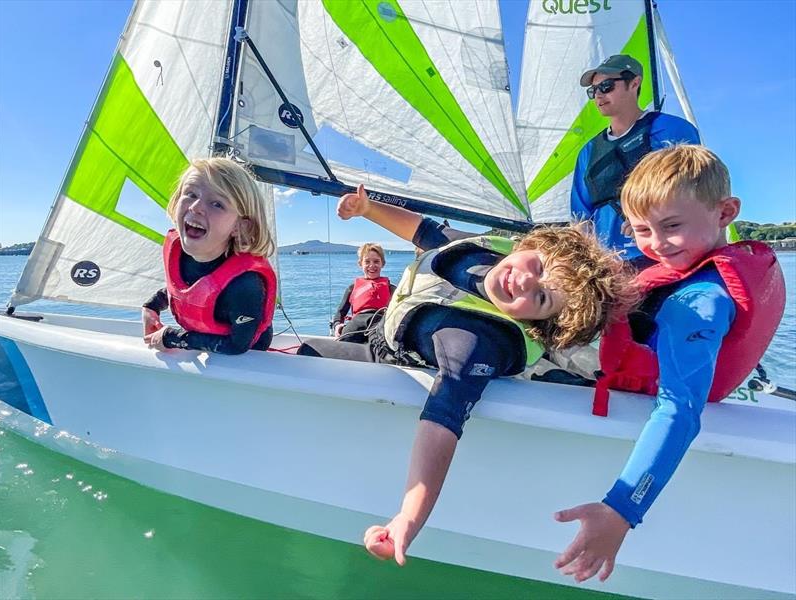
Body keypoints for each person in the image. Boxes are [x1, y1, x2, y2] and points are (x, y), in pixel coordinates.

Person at [298, 184, 635, 566]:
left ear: (538, 325)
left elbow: (442, 423)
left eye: (541, 298)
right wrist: (367, 209)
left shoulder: (478, 344)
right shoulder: (488, 250)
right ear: (529, 246)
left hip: (385, 353)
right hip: (382, 320)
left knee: (307, 353)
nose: (525, 282)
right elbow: (423, 231)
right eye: (538, 268)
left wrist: (408, 517)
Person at [554, 145, 785, 583]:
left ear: (725, 212)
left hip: (626, 379)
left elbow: (679, 409)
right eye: (642, 230)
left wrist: (621, 509)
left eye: (671, 226)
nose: (656, 244)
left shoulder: (696, 304)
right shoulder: (709, 264)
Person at [572, 54, 701, 265]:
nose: (598, 95)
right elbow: (580, 217)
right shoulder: (588, 151)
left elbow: (696, 188)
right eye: (592, 90)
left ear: (634, 83)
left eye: (605, 86)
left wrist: (648, 220)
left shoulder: (673, 129)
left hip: (665, 257)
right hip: (609, 265)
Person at [142, 157, 277, 355]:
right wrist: (151, 307)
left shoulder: (246, 285)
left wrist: (173, 338)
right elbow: (180, 290)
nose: (195, 207)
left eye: (217, 204)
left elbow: (237, 346)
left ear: (240, 226)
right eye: (190, 193)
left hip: (246, 358)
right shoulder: (182, 256)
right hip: (205, 339)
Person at [331, 243, 396, 343]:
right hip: (357, 322)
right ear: (360, 263)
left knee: (379, 343)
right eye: (367, 262)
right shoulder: (352, 288)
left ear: (383, 263)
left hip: (379, 322)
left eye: (376, 261)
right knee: (345, 340)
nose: (372, 265)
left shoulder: (391, 289)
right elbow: (341, 312)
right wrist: (337, 325)